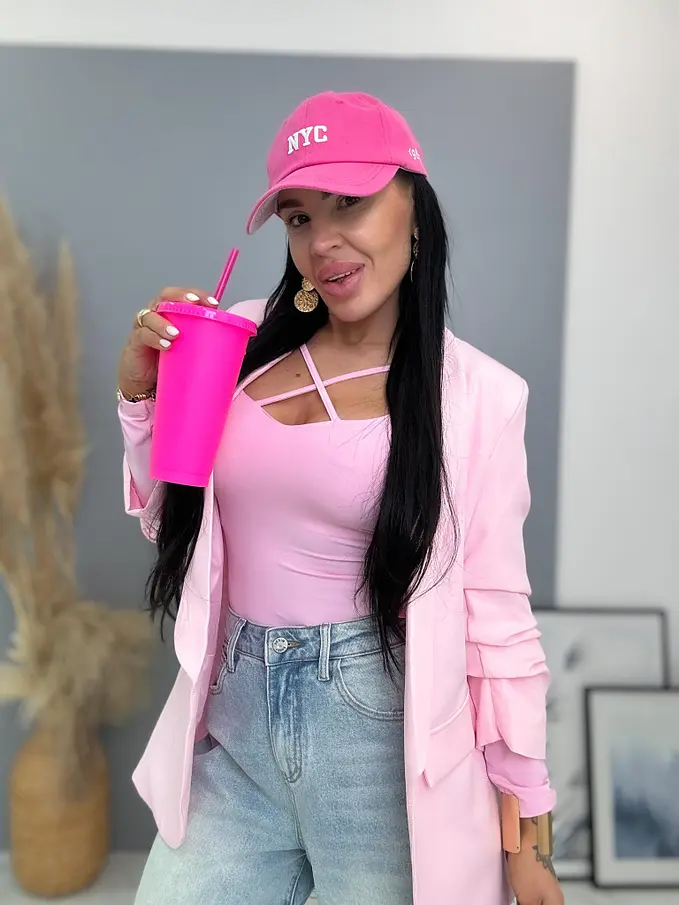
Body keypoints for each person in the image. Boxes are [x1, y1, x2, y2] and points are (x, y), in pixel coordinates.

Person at [117, 91, 564, 905]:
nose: (321, 240)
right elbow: (170, 516)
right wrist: (143, 398)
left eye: (348, 203)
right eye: (298, 217)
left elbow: (498, 620)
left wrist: (529, 836)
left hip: (377, 743)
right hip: (235, 729)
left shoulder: (479, 398)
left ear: (413, 209)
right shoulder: (239, 345)